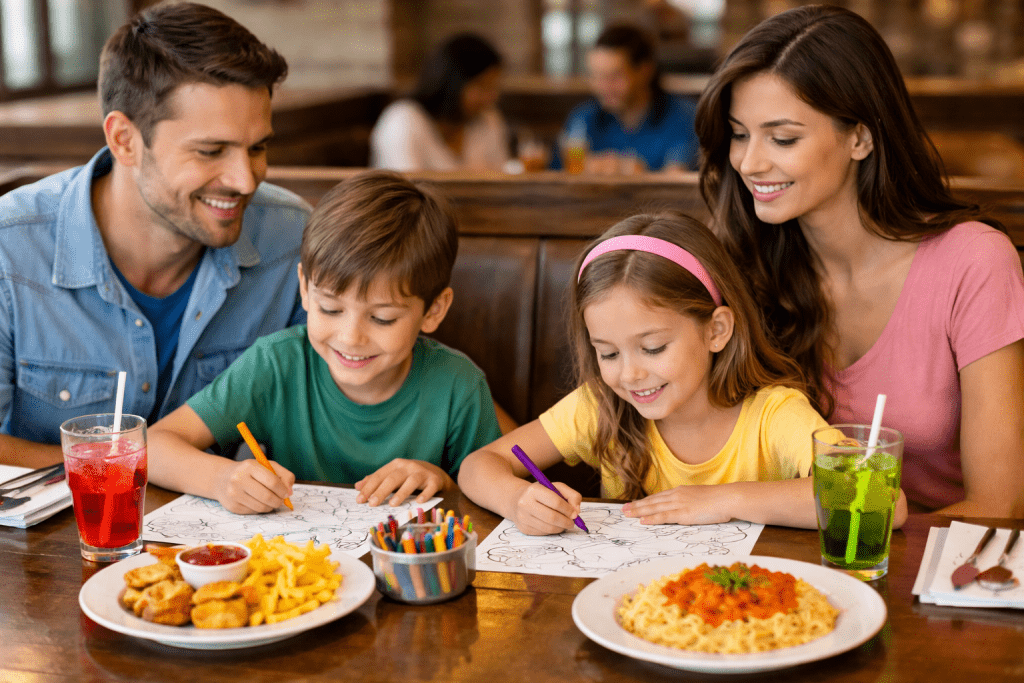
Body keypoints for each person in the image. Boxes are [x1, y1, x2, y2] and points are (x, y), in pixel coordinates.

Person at [695, 5, 1024, 517]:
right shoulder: (743, 260)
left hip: (928, 566)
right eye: (740, 134)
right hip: (779, 562)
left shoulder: (975, 263)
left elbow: (997, 506)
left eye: (783, 138)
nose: (749, 163)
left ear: (861, 137)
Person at [458, 212, 908, 534]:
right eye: (608, 354)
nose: (630, 374)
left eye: (653, 347)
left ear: (716, 330)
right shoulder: (602, 406)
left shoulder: (774, 415)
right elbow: (479, 466)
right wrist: (518, 502)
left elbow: (883, 499)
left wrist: (723, 500)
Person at [0, 3, 309, 468]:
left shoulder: (294, 241)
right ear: (124, 140)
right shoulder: (10, 250)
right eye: (211, 150)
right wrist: (145, 472)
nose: (246, 180)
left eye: (258, 147)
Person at [149, 171, 503, 514]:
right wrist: (221, 478)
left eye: (382, 318)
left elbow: (490, 494)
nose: (350, 337)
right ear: (304, 288)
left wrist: (442, 482)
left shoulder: (459, 385)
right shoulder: (277, 364)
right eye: (330, 308)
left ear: (434, 310)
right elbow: (151, 446)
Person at [551, 23, 698, 174]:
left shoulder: (685, 118)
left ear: (645, 71)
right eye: (596, 76)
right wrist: (585, 168)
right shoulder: (582, 118)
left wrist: (638, 172)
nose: (603, 87)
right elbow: (560, 173)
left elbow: (677, 180)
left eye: (614, 76)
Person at [370, 33, 509, 172]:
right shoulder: (402, 120)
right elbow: (407, 188)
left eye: (493, 87)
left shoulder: (488, 120)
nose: (491, 97)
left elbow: (501, 177)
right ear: (451, 83)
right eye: (481, 86)